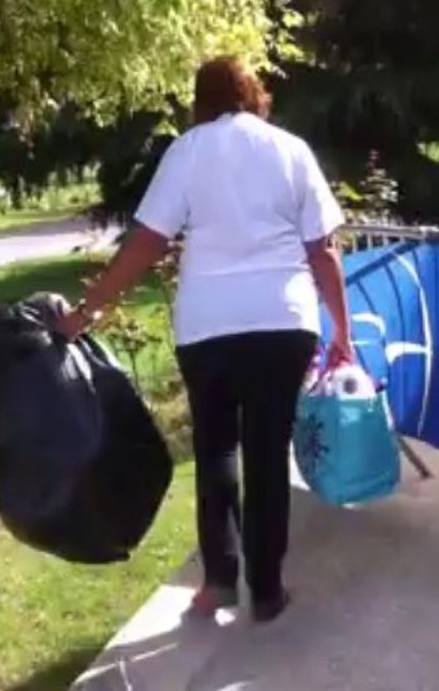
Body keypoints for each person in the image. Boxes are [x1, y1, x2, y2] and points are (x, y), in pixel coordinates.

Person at [56, 56, 354, 623]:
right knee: (268, 455)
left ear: (201, 101)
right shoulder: (290, 150)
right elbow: (323, 249)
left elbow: (145, 242)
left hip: (207, 326)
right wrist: (344, 328)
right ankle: (266, 590)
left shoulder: (187, 152)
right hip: (281, 320)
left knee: (217, 449)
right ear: (254, 94)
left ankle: (218, 579)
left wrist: (87, 312)